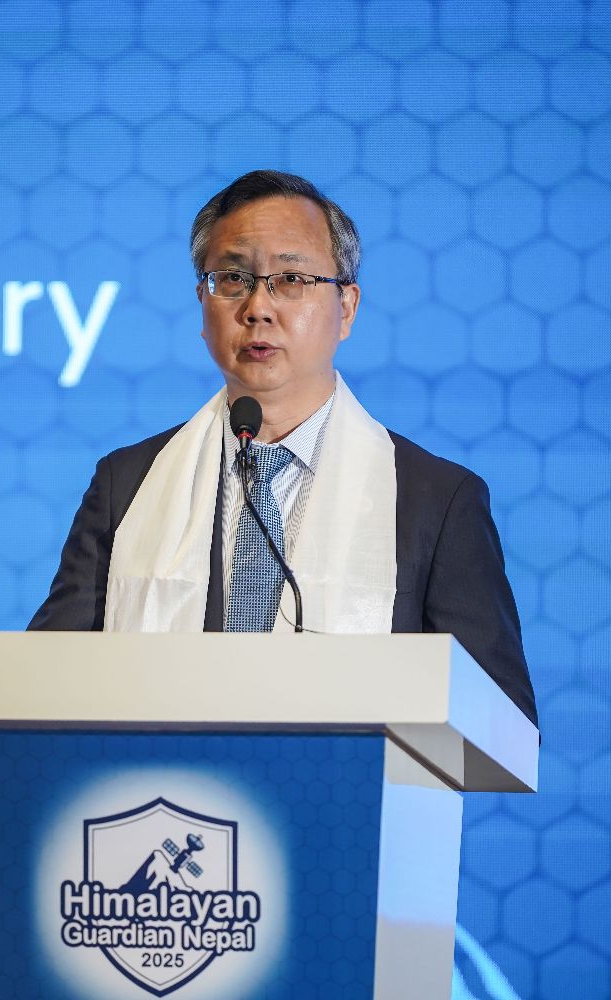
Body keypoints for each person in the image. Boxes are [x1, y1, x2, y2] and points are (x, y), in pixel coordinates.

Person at [28, 170, 536, 726]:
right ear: (203, 303)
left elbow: (501, 724)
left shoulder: (435, 501)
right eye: (233, 278)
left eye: (291, 279)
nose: (258, 308)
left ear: (347, 308)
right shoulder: (126, 484)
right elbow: (37, 688)